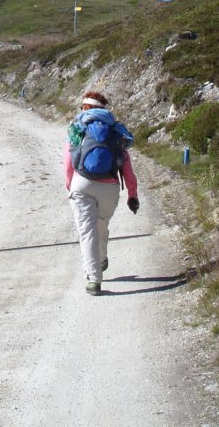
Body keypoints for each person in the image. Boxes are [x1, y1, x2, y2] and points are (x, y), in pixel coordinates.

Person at [64, 90, 139, 296]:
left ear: (85, 108)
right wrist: (132, 194)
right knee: (101, 226)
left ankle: (94, 280)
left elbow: (69, 161)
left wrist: (71, 186)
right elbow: (126, 165)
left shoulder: (78, 127)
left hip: (82, 183)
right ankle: (102, 259)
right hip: (110, 186)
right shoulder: (114, 128)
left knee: (87, 232)